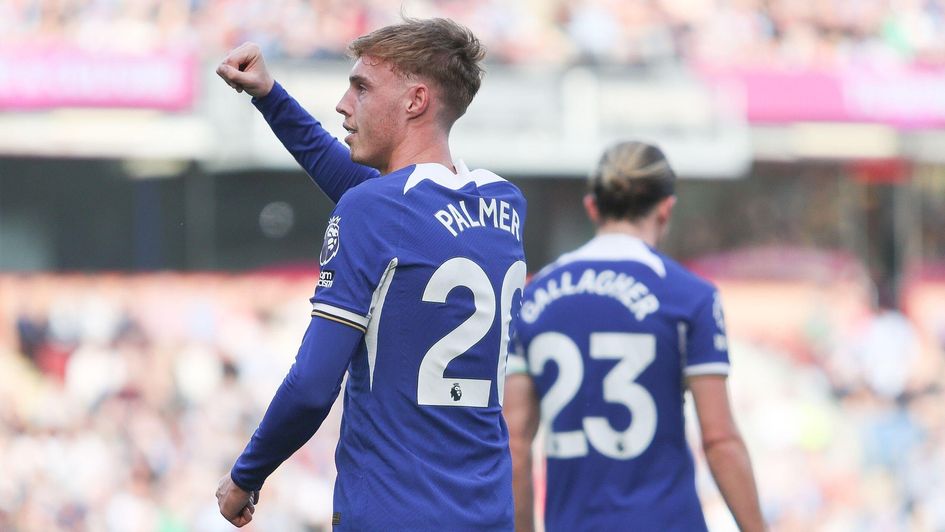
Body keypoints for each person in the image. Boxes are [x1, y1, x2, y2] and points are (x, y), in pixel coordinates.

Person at [213, 18, 527, 530]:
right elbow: (373, 193)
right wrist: (269, 96)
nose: (343, 103)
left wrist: (246, 475)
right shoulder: (504, 205)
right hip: (488, 513)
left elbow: (314, 385)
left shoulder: (375, 211)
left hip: (392, 512)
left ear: (415, 101)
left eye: (361, 87)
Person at [503, 141, 765, 532]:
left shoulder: (533, 296)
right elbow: (720, 440)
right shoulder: (690, 297)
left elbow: (516, 444)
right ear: (666, 209)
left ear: (592, 207)